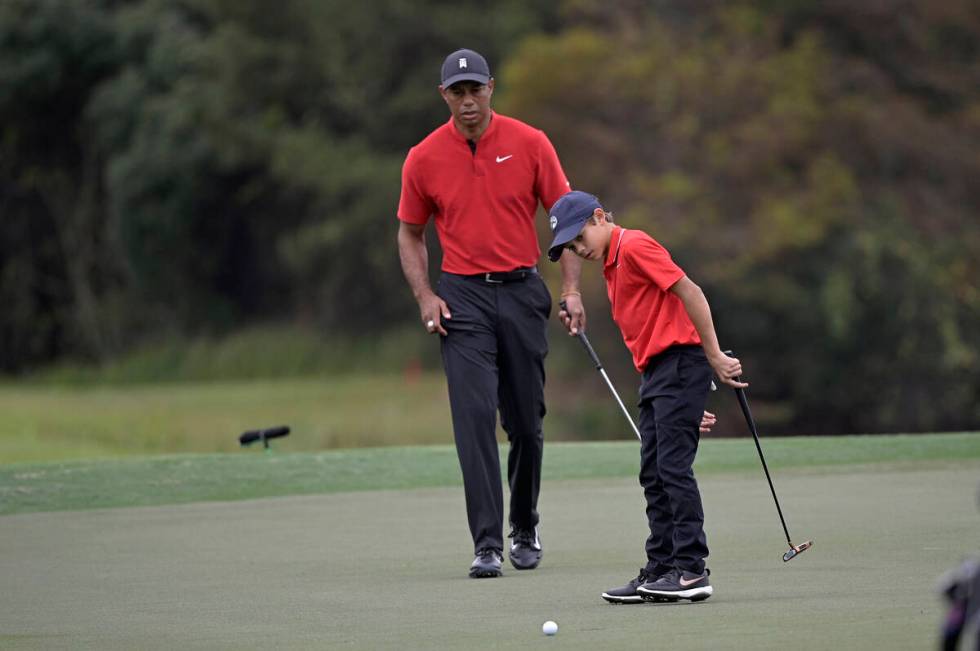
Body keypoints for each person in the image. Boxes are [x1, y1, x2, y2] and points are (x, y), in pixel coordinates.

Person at [396, 48, 586, 578]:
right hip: (462, 299)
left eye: (475, 89)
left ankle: (523, 526)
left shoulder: (531, 143)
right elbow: (410, 233)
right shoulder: (424, 156)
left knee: (526, 421)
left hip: (523, 290)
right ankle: (487, 544)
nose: (468, 100)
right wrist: (424, 297)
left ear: (491, 88)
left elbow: (566, 221)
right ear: (444, 97)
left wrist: (571, 289)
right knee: (474, 419)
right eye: (457, 92)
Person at [547, 190, 746, 603]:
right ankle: (661, 567)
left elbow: (690, 292)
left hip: (679, 362)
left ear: (599, 217)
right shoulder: (611, 265)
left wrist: (712, 358)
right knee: (653, 473)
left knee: (672, 469)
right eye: (570, 245)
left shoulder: (634, 245)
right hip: (659, 374)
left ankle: (691, 570)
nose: (578, 249)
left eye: (579, 237)